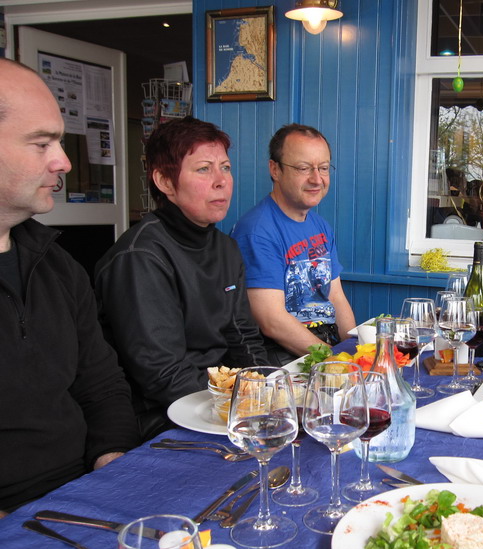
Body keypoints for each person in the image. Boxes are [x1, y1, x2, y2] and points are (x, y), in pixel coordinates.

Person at [0, 58, 139, 513]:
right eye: (42, 143)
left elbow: (101, 385)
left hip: (84, 490)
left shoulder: (57, 264)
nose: (63, 161)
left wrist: (112, 463)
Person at [95, 117, 269, 439]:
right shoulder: (140, 257)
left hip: (223, 404)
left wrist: (265, 391)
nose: (221, 181)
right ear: (164, 181)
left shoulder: (226, 247)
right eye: (204, 169)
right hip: (163, 416)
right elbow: (162, 373)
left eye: (226, 168)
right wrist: (237, 409)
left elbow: (243, 335)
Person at [232, 123, 356, 365]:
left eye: (323, 168)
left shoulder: (320, 226)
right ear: (275, 169)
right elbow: (272, 322)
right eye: (303, 168)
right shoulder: (257, 231)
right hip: (283, 358)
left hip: (325, 345)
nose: (316, 179)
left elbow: (336, 296)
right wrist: (337, 362)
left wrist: (355, 349)